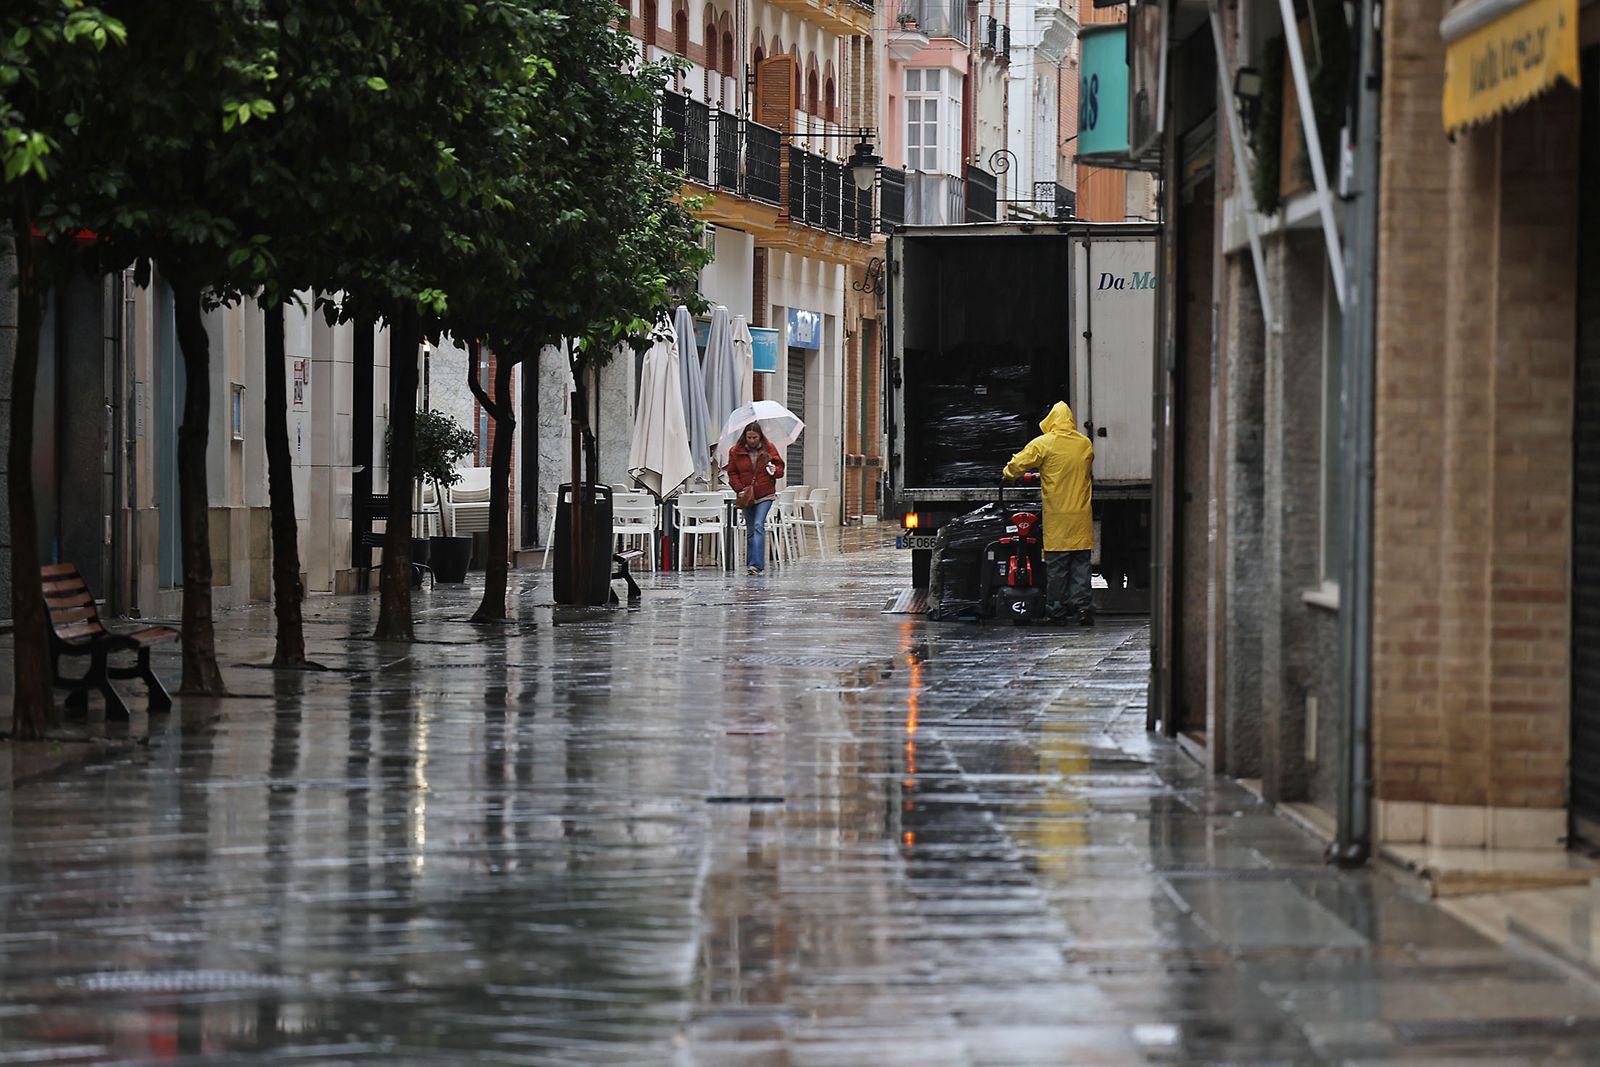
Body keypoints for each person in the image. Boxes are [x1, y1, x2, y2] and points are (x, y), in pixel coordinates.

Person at [1003, 401, 1095, 625]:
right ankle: (1082, 610)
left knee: (1057, 567)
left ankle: (1057, 611)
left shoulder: (1045, 443)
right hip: (1081, 516)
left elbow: (1018, 464)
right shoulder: (1084, 443)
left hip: (1058, 517)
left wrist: (1008, 474)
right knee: (1081, 565)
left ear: (1051, 421)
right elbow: (1073, 469)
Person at [725, 423, 785, 575]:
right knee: (751, 529)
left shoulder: (769, 448)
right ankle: (752, 564)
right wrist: (739, 489)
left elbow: (780, 470)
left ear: (760, 437)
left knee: (758, 524)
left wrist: (774, 470)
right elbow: (732, 473)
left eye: (755, 437)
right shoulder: (735, 451)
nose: (752, 440)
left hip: (765, 493)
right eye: (749, 437)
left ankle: (756, 564)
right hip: (746, 495)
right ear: (745, 436)